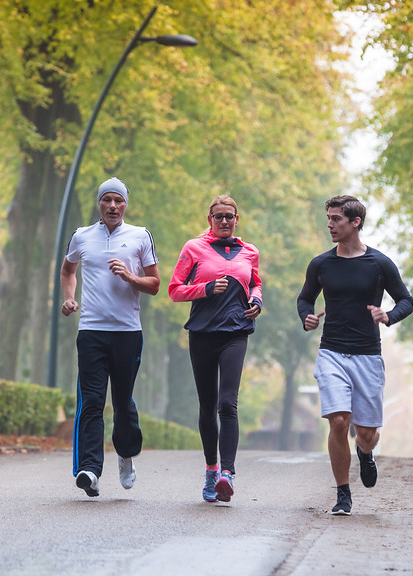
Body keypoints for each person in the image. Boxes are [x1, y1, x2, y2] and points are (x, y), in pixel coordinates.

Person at [296, 195, 413, 516]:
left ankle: (365, 452)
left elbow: (406, 299)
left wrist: (389, 315)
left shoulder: (379, 264)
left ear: (355, 222)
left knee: (366, 433)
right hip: (331, 351)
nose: (330, 225)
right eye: (329, 219)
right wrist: (306, 317)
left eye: (336, 219)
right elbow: (305, 299)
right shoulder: (320, 264)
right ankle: (343, 493)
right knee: (338, 421)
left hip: (367, 356)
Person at [60, 177, 160, 498]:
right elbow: (67, 270)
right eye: (107, 200)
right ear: (99, 203)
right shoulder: (81, 237)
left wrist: (130, 276)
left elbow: (155, 284)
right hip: (90, 331)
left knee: (122, 402)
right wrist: (69, 298)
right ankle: (90, 469)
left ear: (126, 204)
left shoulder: (140, 236)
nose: (113, 206)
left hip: (127, 333)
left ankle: (126, 455)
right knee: (91, 401)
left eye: (118, 200)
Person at [169, 195, 263, 503]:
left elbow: (255, 284)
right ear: (210, 220)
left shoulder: (250, 252)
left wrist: (257, 303)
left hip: (236, 332)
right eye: (218, 216)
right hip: (202, 333)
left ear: (238, 220)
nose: (224, 221)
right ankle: (211, 469)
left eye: (230, 216)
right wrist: (206, 289)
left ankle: (228, 473)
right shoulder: (194, 248)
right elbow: (175, 290)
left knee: (228, 404)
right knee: (208, 407)